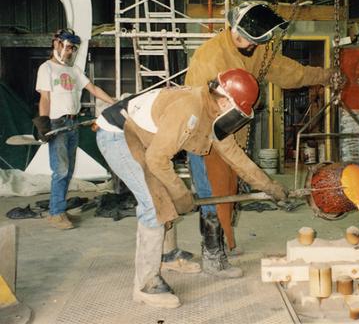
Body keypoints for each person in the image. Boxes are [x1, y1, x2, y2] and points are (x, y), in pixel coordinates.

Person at [95, 68, 288, 308]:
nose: (236, 119)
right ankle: (146, 286)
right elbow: (156, 159)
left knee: (162, 195)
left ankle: (164, 257)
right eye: (237, 112)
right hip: (118, 134)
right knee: (154, 205)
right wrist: (181, 193)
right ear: (225, 100)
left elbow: (235, 156)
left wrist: (269, 186)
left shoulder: (212, 110)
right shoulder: (191, 109)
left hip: (142, 135)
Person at [185, 1, 334, 275]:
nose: (257, 46)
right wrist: (266, 183)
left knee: (229, 193)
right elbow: (202, 114)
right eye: (254, 42)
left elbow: (287, 71)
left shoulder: (254, 47)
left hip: (233, 131)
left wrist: (324, 77)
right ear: (237, 33)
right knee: (212, 196)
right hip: (205, 136)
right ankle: (212, 258)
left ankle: (226, 243)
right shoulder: (208, 59)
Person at [34, 28, 115, 230]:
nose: (70, 52)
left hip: (73, 124)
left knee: (68, 171)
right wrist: (43, 121)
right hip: (57, 124)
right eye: (68, 47)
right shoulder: (46, 68)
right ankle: (56, 213)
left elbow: (93, 89)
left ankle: (58, 208)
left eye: (73, 49)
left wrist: (114, 102)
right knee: (60, 170)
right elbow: (45, 97)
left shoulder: (74, 71)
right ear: (57, 44)